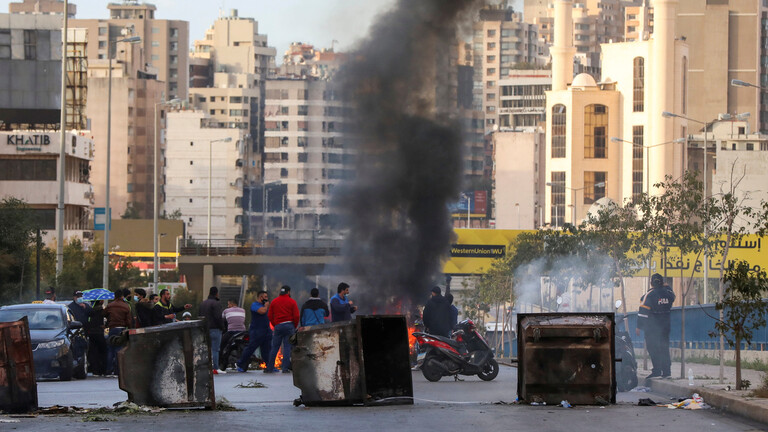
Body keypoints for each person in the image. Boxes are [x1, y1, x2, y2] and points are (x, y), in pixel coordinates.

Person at [637, 273, 676, 382]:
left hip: (652, 327)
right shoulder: (668, 293)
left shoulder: (649, 295)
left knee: (652, 348)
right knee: (664, 347)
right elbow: (673, 296)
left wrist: (639, 326)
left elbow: (643, 311)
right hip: (666, 326)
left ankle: (657, 370)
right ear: (662, 282)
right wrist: (666, 286)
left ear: (651, 283)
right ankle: (667, 372)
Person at [267, 285, 300, 373]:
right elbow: (296, 315)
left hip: (278, 326)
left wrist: (275, 324)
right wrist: (294, 326)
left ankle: (269, 367)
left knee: (275, 347)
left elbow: (269, 315)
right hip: (289, 326)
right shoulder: (292, 302)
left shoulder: (274, 301)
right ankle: (285, 368)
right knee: (287, 347)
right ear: (288, 292)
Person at [237, 291, 272, 372]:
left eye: (267, 296)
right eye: (265, 297)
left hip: (266, 330)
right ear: (261, 297)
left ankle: (269, 366)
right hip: (257, 331)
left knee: (266, 349)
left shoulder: (265, 306)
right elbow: (262, 311)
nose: (267, 299)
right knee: (251, 348)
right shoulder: (255, 305)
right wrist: (266, 306)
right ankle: (241, 364)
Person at [104, 289, 133, 376]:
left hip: (112, 329)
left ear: (115, 296)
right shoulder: (126, 306)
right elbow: (128, 320)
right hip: (122, 329)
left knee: (110, 350)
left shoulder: (110, 305)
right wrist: (130, 329)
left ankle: (108, 371)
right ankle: (117, 371)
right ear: (122, 296)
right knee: (119, 349)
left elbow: (104, 314)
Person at [199, 286, 225, 371]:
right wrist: (222, 327)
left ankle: (205, 368)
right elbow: (218, 317)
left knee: (205, 350)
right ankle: (215, 368)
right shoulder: (216, 303)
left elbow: (199, 316)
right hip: (215, 329)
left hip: (204, 330)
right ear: (217, 293)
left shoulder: (203, 303)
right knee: (215, 349)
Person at [221, 298, 246, 367]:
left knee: (222, 344)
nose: (228, 306)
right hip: (242, 331)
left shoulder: (226, 311)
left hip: (232, 331)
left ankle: (220, 361)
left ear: (232, 304)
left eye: (228, 304)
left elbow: (222, 321)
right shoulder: (243, 310)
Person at [86, 300, 107, 376]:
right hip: (99, 332)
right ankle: (103, 370)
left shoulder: (90, 311)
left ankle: (95, 370)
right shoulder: (102, 311)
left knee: (93, 352)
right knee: (103, 352)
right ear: (101, 301)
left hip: (91, 333)